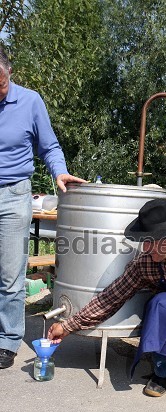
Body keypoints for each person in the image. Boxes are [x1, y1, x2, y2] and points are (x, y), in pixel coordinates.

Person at [48, 198, 166, 412]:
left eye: (153, 240)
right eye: (144, 240)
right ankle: (164, 373)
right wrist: (67, 326)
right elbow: (111, 297)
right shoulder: (146, 262)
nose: (146, 248)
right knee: (161, 303)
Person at [0, 46, 86, 369]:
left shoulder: (30, 102)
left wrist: (59, 171)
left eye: (1, 82)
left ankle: (7, 340)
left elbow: (49, 147)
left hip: (13, 195)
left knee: (10, 272)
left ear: (10, 73)